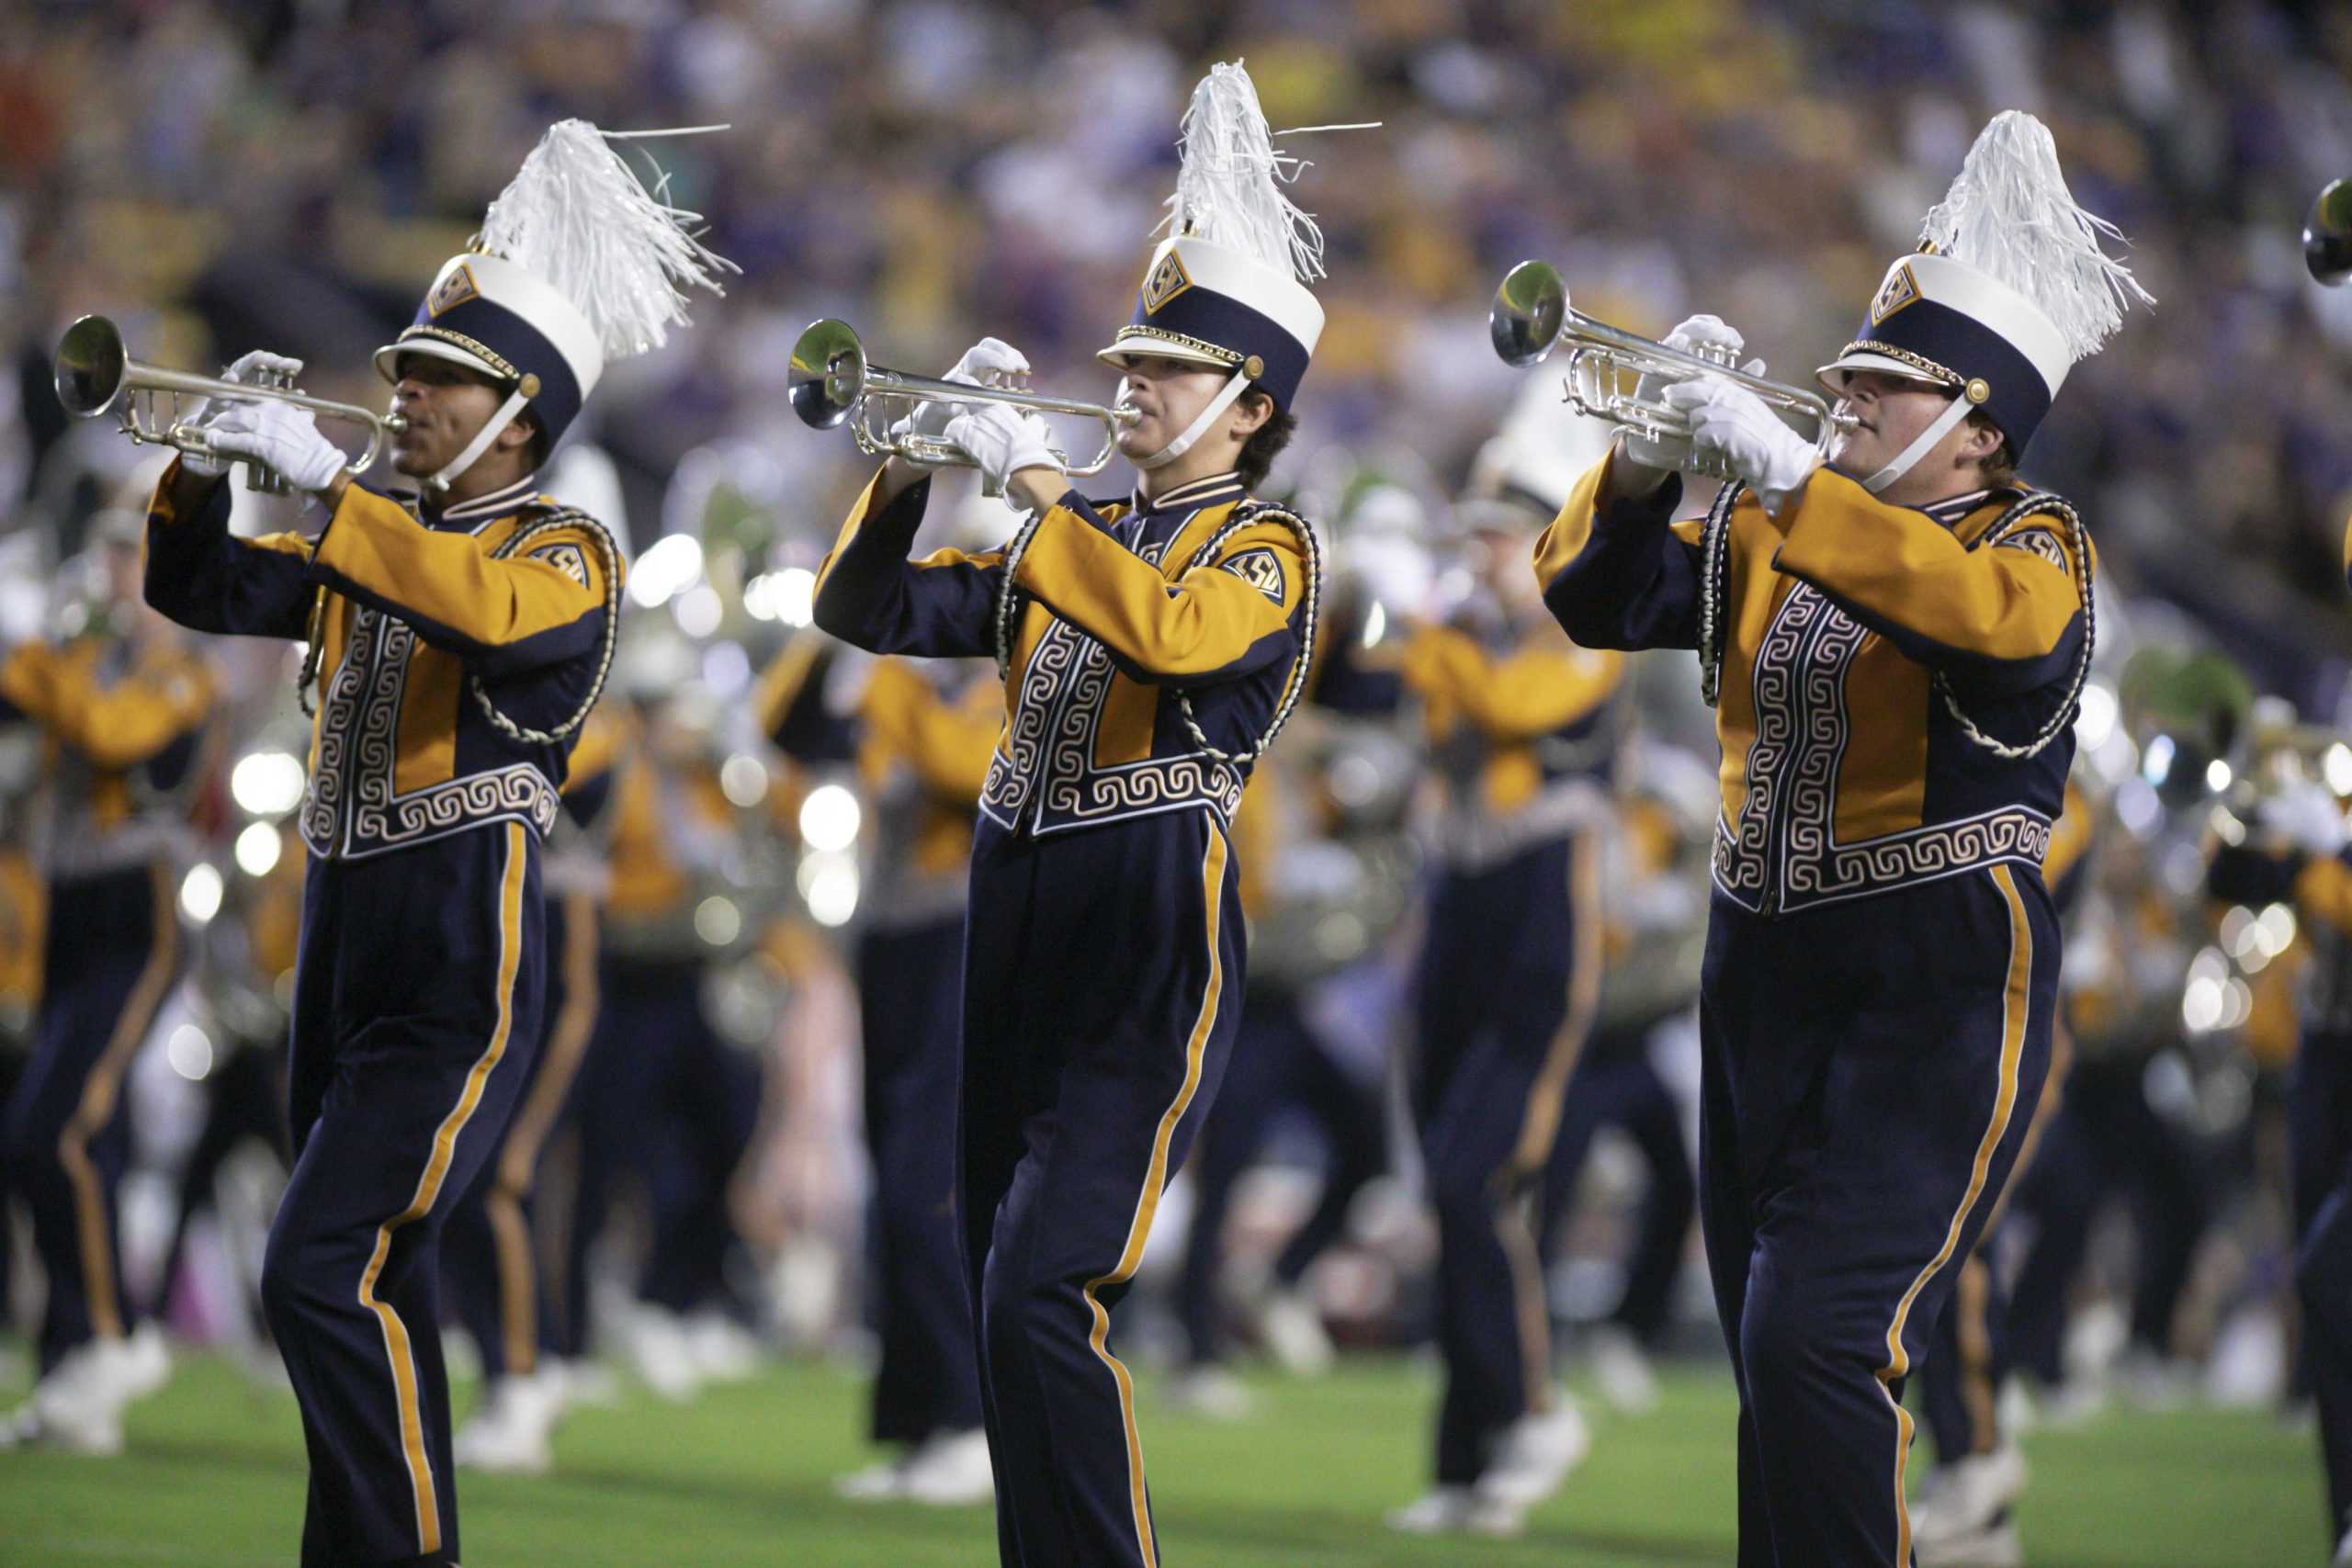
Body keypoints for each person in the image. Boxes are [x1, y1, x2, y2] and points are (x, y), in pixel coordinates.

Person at [1534, 110, 2147, 1565]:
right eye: (1852, 376)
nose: (1846, 397)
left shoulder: (2032, 541)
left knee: (1820, 1331)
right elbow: (1592, 600)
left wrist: (1792, 483)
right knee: (1775, 1345)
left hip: (1929, 977)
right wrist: (1640, 463)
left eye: (1888, 385)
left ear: (1980, 426)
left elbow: (1980, 625)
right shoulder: (1778, 528)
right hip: (1759, 962)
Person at [136, 121, 725, 1566]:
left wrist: (330, 490)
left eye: (437, 380)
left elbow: (483, 613)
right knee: (376, 1281)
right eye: (400, 373)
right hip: (343, 929)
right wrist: (207, 466)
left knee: (317, 1268)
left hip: (464, 932)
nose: (401, 398)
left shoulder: (561, 547)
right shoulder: (380, 533)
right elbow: (197, 586)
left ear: (518, 413)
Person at [811, 61, 1329, 1568]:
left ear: (1252, 405)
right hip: (1015, 905)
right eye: (1133, 357)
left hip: (1149, 918)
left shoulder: (1270, 541)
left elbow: (1171, 636)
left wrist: (1033, 479)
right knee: (996, 1283)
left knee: (1047, 1283)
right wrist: (908, 468)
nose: (1131, 381)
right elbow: (865, 606)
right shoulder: (1081, 533)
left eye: (1168, 369)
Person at [1388, 381, 1623, 1536]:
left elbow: (1509, 706)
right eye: (1471, 538)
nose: (1475, 558)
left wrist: (1430, 636)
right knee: (1445, 1180)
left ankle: (1531, 1410)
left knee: (1474, 1175)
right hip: (1461, 910)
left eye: (1497, 540)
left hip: (1540, 920)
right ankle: (1466, 1456)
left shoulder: (1589, 637)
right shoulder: (1461, 640)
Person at [761, 633, 997, 1503]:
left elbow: (966, 770)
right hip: (891, 938)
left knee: (922, 1184)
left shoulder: (1006, 684)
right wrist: (829, 635)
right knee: (890, 1190)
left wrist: (891, 676)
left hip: (966, 939)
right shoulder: (901, 686)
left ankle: (971, 1422)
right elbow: (785, 729)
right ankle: (917, 1425)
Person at [0, 513, 213, 1451]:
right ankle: (72, 1362)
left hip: (142, 917)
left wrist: (37, 660)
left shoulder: (178, 671)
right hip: (67, 912)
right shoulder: (83, 661)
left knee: (63, 1128)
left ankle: (114, 1336)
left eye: (135, 558)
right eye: (114, 556)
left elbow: (110, 732)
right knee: (68, 1136)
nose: (117, 573)